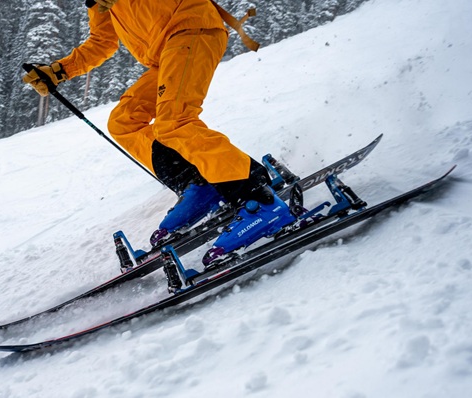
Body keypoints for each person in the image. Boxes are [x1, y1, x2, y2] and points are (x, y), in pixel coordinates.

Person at [23, 0, 295, 266]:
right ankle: (200, 184)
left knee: (175, 121)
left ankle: (260, 199)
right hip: (166, 52)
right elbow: (103, 41)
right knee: (124, 121)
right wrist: (59, 71)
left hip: (192, 28)